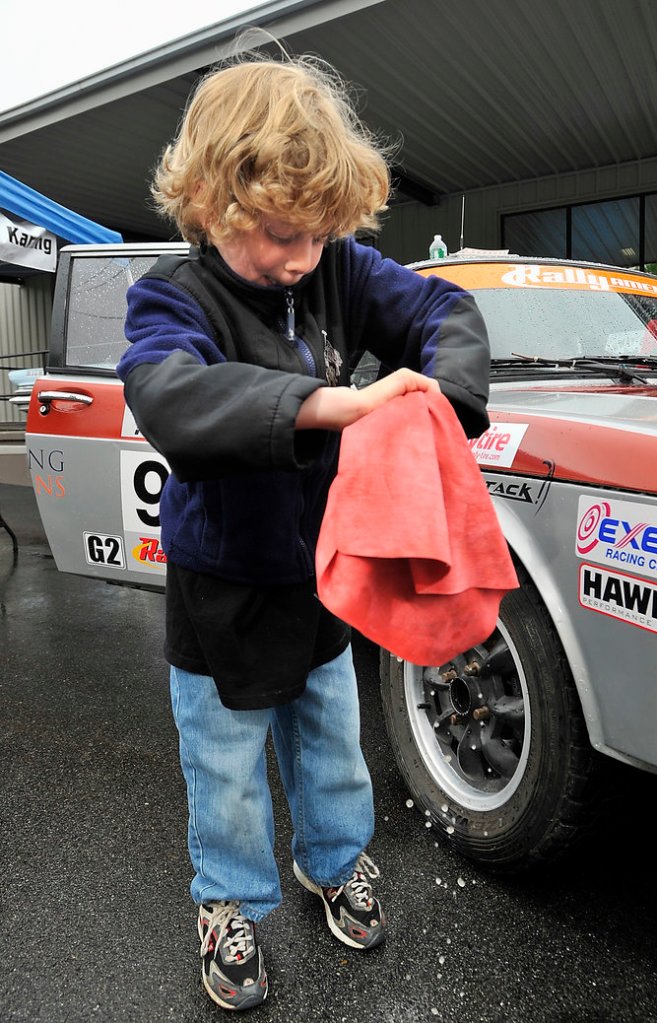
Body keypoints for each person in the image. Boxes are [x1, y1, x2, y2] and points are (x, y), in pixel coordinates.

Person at [116, 53, 490, 1013]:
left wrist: (440, 399)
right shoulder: (170, 298)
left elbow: (446, 309)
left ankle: (333, 862)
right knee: (227, 767)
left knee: (332, 741)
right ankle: (229, 904)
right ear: (209, 200)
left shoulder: (340, 270)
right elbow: (172, 395)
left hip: (324, 573)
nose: (299, 259)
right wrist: (334, 403)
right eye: (280, 235)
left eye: (319, 236)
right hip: (221, 588)